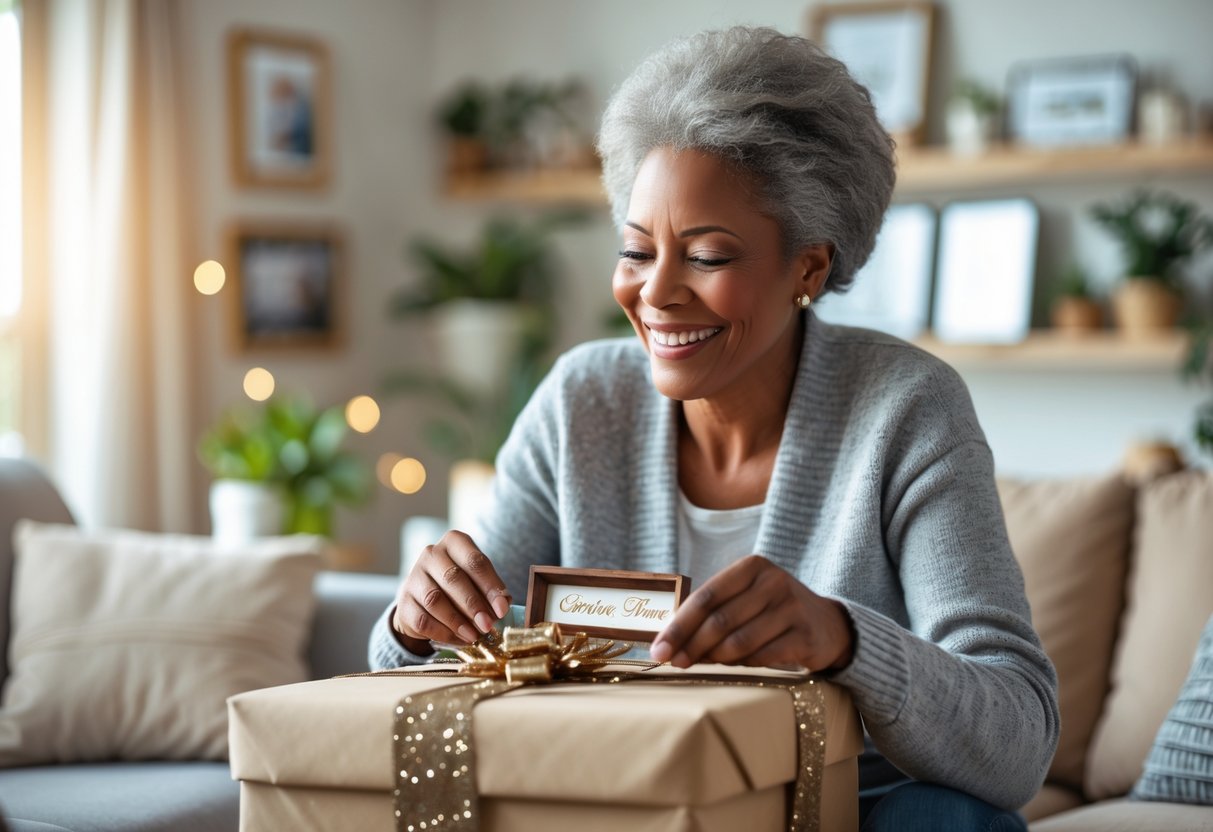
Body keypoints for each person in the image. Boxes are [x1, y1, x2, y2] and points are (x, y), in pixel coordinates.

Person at [370, 26, 1059, 831]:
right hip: (623, 802)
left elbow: (1017, 744)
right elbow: (425, 689)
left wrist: (842, 640)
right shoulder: (581, 402)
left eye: (705, 256)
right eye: (636, 250)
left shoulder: (904, 407)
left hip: (844, 811)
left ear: (808, 266)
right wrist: (414, 628)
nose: (655, 293)